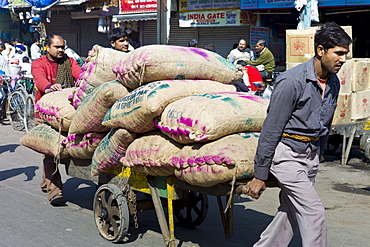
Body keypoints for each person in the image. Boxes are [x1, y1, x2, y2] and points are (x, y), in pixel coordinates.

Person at [245, 22, 352, 247]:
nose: (343, 59)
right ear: (321, 50)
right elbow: (272, 128)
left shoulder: (333, 82)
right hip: (287, 154)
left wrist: (318, 153)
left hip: (310, 155)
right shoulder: (292, 82)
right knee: (314, 213)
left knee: (290, 213)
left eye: (346, 54)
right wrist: (260, 173)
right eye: (339, 53)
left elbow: (326, 121)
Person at [32, 33, 81, 205]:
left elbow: (79, 74)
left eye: (62, 47)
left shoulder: (69, 62)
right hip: (46, 114)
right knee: (50, 152)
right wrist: (48, 87)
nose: (61, 50)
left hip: (67, 112)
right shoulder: (39, 64)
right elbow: (39, 79)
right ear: (48, 47)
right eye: (57, 47)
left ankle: (46, 182)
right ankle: (54, 190)